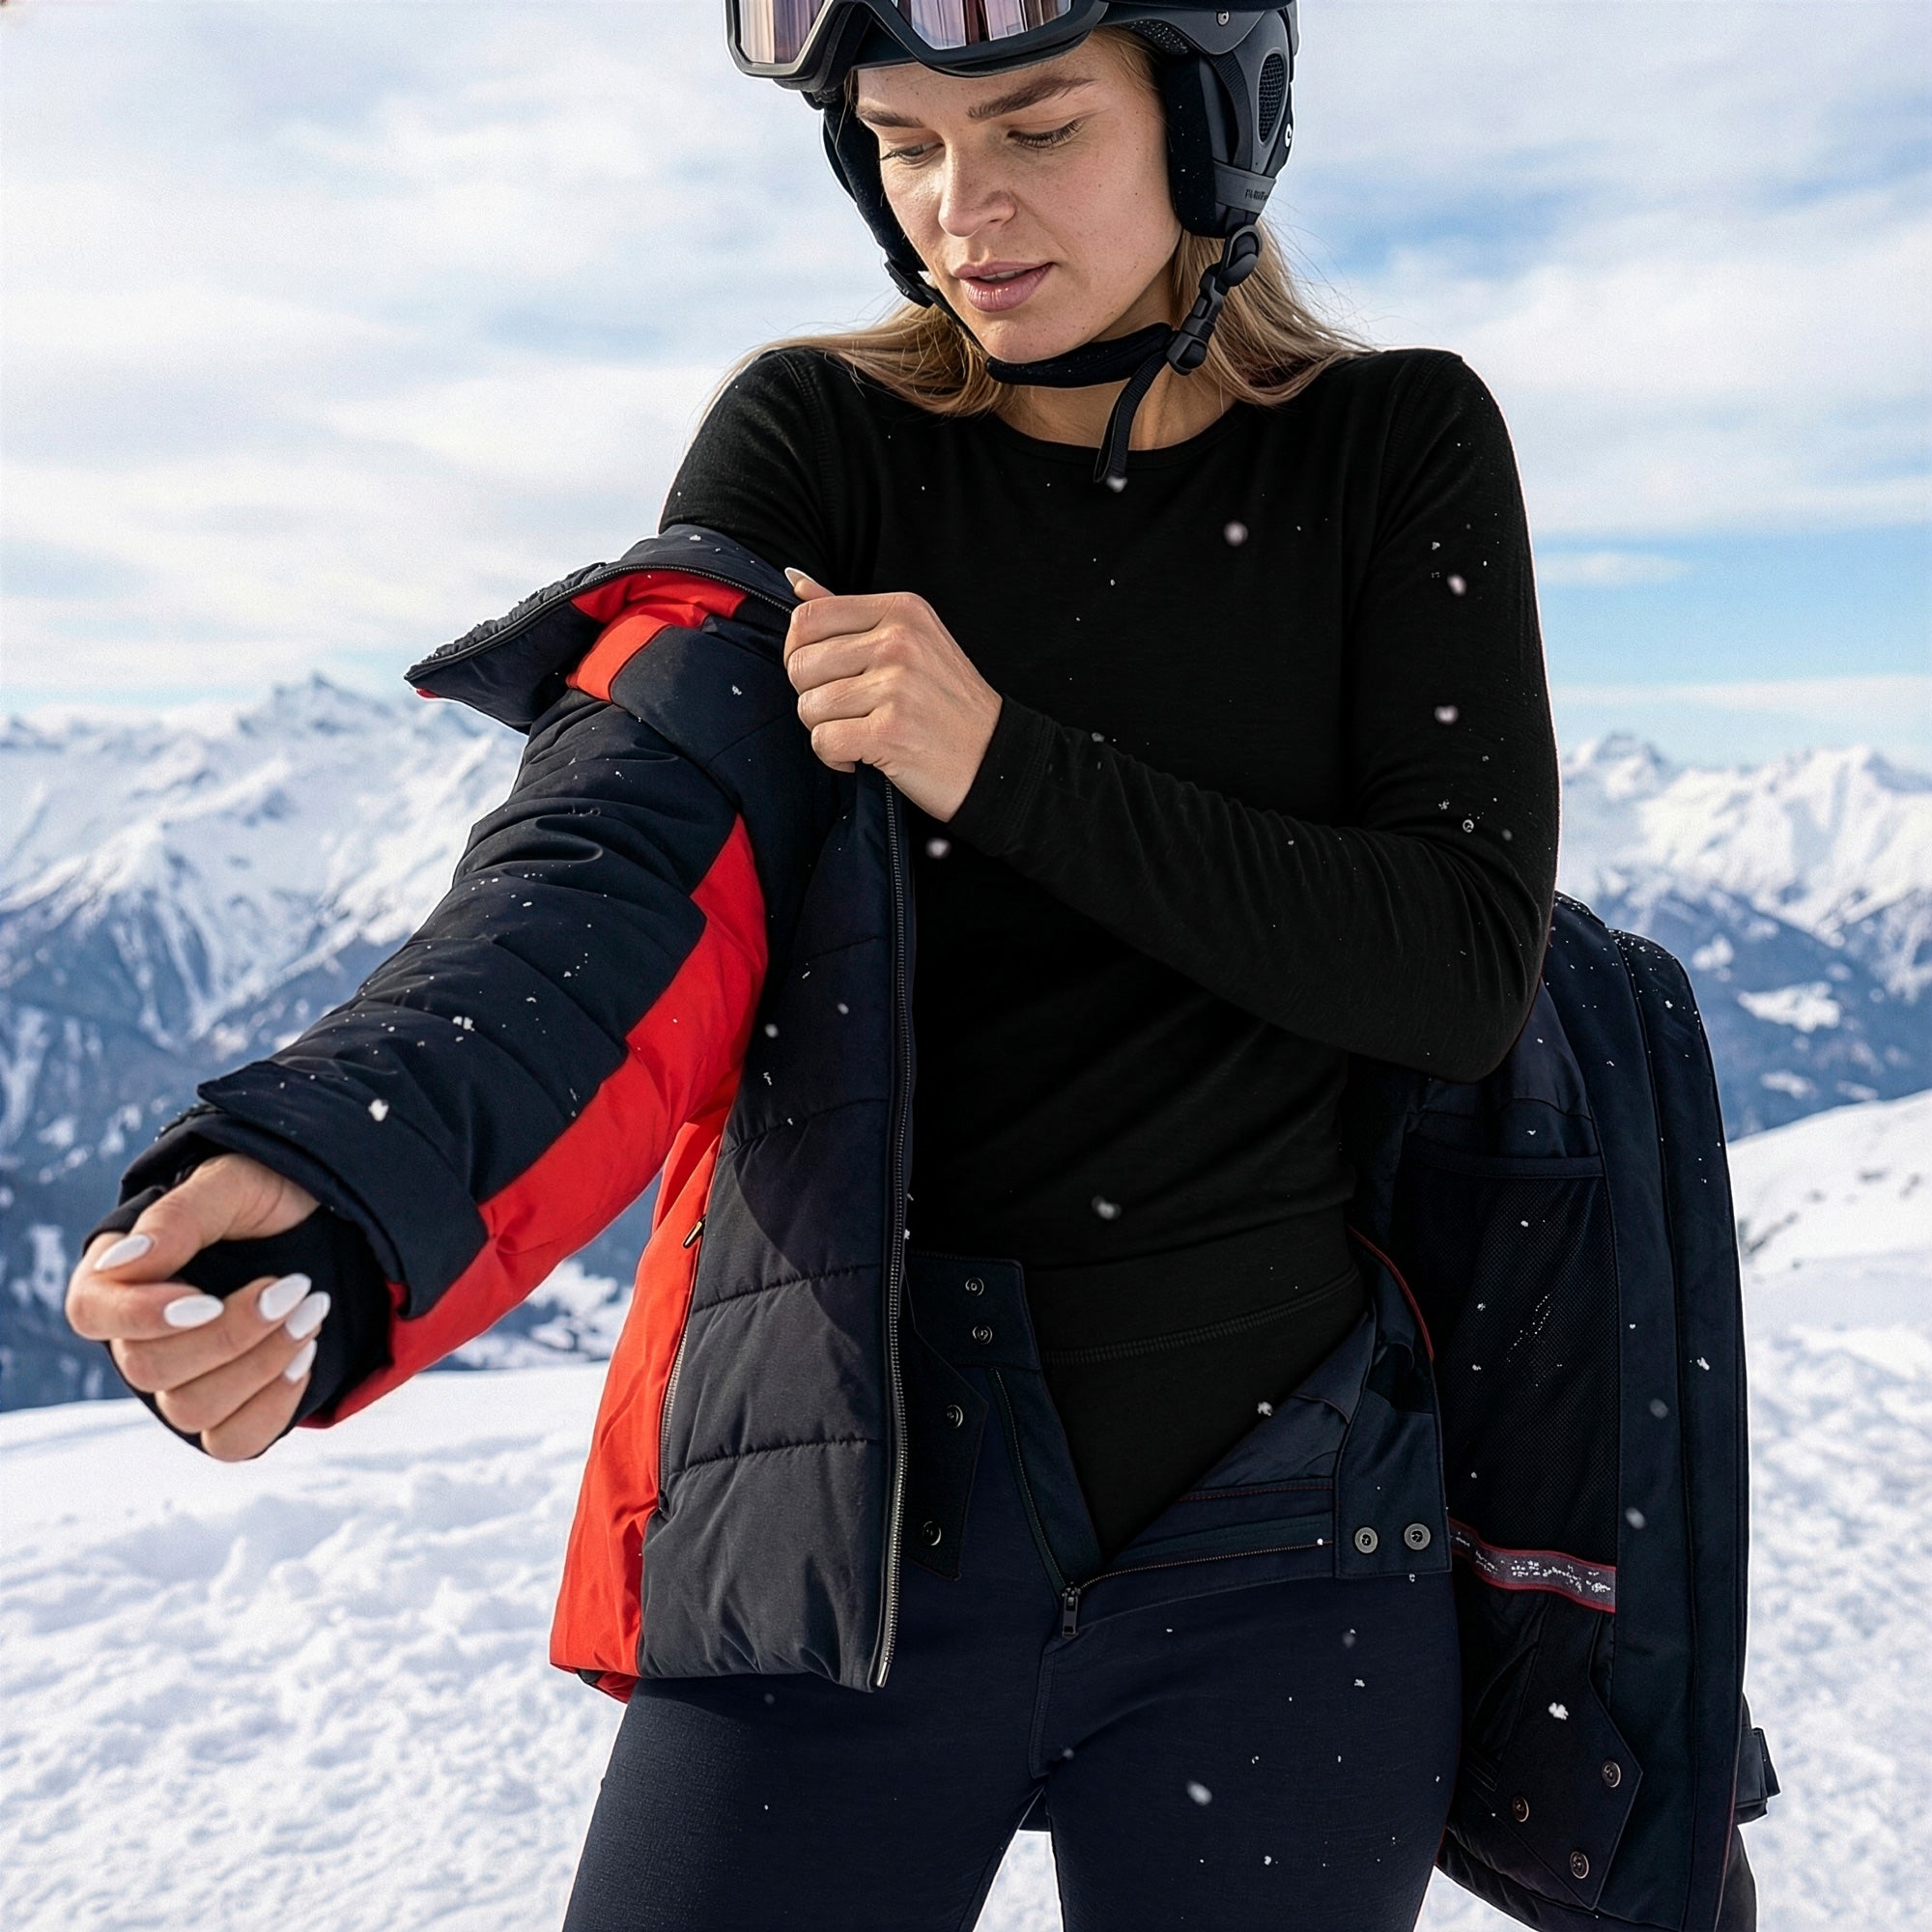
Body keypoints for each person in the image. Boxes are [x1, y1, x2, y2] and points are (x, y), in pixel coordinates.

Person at [68, 5, 1559, 1926]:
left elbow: (1452, 964)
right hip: (851, 1490)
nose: (964, 207)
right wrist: (341, 1190)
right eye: (906, 140)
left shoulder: (1389, 442)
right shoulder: (815, 442)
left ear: (1209, 126)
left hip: (1287, 1523)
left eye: (1033, 127)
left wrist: (1003, 763)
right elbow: (608, 869)